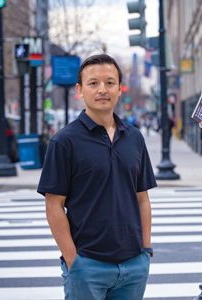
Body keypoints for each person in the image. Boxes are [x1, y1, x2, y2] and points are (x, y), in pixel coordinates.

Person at [37, 54, 157, 300]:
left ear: (119, 89)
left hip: (134, 264)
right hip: (87, 264)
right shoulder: (64, 142)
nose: (103, 89)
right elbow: (54, 206)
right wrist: (73, 260)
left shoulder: (134, 137)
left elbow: (142, 198)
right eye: (93, 83)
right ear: (79, 90)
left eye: (110, 82)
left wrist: (145, 250)